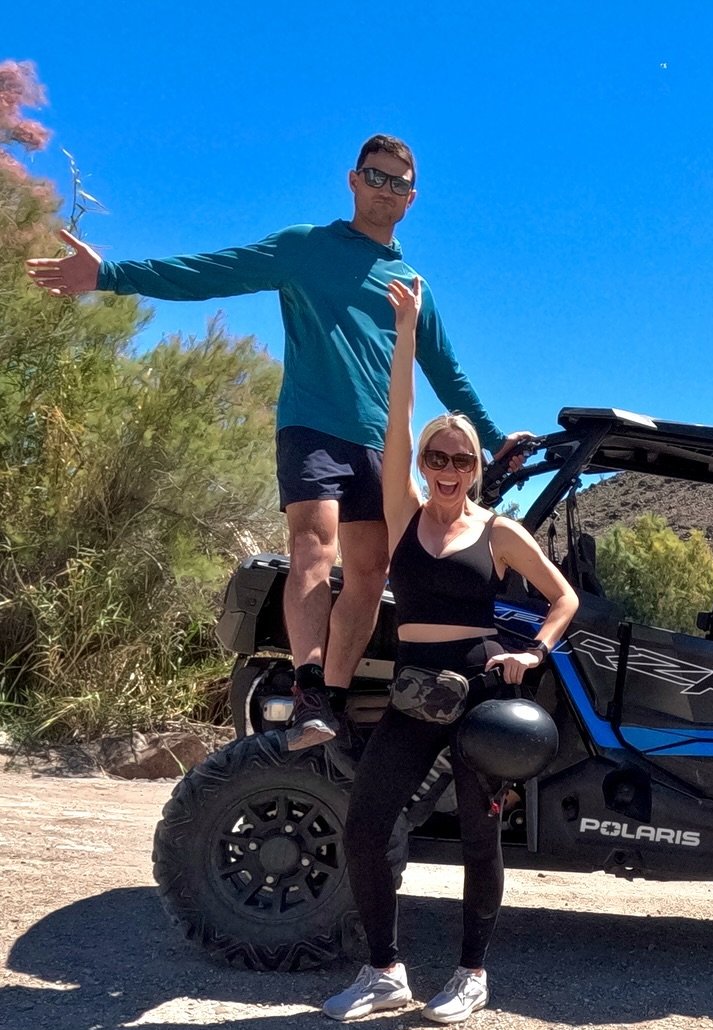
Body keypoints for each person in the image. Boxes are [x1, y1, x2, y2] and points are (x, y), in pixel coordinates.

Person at [25, 134, 530, 750]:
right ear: (353, 180)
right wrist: (108, 273)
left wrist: (498, 440)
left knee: (371, 572)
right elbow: (213, 271)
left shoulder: (411, 286)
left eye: (398, 183)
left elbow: (446, 372)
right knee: (313, 546)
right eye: (376, 176)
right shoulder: (304, 248)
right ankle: (309, 689)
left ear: (412, 198)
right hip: (312, 425)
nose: (385, 190)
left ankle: (331, 705)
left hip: (379, 442)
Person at [322, 275, 577, 1025]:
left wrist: (534, 652)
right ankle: (384, 971)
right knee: (366, 825)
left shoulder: (498, 531)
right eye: (438, 455)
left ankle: (471, 972)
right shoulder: (404, 512)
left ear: (476, 468)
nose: (446, 467)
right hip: (412, 691)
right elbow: (396, 419)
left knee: (479, 833)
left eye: (461, 459)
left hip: (481, 693)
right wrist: (406, 335)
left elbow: (563, 598)